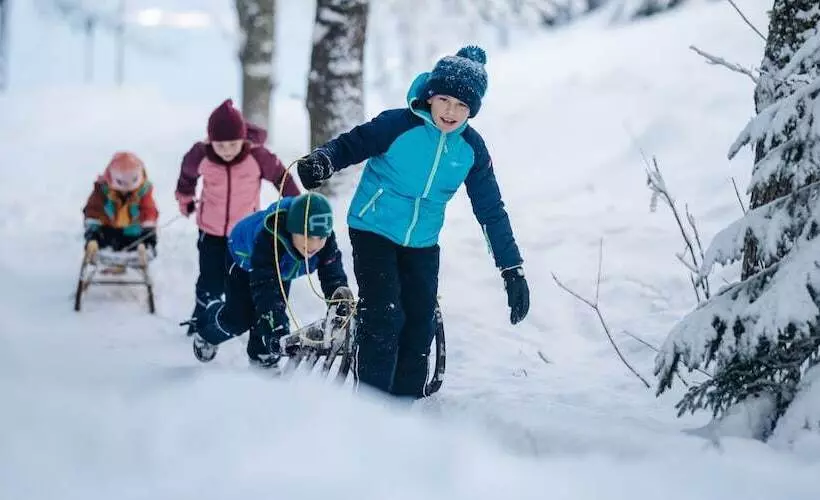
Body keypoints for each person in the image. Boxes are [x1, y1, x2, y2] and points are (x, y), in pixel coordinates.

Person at [296, 45, 530, 398]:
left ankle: (405, 409)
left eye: (462, 105)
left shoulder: (471, 149)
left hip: (422, 241)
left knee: (418, 324)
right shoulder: (397, 124)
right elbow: (350, 145)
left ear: (472, 110)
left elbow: (491, 210)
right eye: (445, 100)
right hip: (373, 227)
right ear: (431, 96)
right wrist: (323, 161)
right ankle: (370, 406)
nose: (451, 112)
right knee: (385, 315)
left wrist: (511, 268)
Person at [175, 99, 300, 335]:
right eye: (220, 145)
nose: (227, 151)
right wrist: (186, 199)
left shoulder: (258, 156)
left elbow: (282, 179)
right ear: (211, 141)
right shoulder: (200, 155)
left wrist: (295, 208)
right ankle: (202, 322)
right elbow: (187, 176)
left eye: (232, 144)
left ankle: (242, 318)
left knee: (241, 279)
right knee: (210, 280)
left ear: (243, 139)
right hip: (210, 231)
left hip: (244, 235)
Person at [192, 192, 348, 367]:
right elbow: (266, 287)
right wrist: (275, 325)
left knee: (271, 316)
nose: (314, 244)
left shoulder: (325, 241)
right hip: (244, 260)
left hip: (280, 270)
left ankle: (263, 358)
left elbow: (333, 277)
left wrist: (341, 308)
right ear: (292, 229)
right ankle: (207, 330)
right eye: (307, 236)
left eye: (321, 237)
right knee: (239, 318)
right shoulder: (270, 239)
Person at [83, 151, 159, 263]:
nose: (126, 190)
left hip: (134, 235)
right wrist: (92, 234)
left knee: (143, 242)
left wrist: (148, 232)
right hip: (108, 233)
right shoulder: (102, 191)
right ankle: (95, 246)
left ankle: (143, 249)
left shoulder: (143, 192)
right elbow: (94, 211)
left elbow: (148, 211)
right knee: (99, 239)